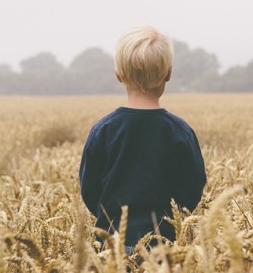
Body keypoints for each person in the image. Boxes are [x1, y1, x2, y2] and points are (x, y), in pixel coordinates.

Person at [79, 24, 206, 254]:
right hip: (165, 245)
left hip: (110, 243)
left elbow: (89, 188)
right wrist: (176, 219)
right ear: (169, 72)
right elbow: (192, 189)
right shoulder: (180, 132)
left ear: (118, 75)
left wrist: (108, 216)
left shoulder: (104, 130)